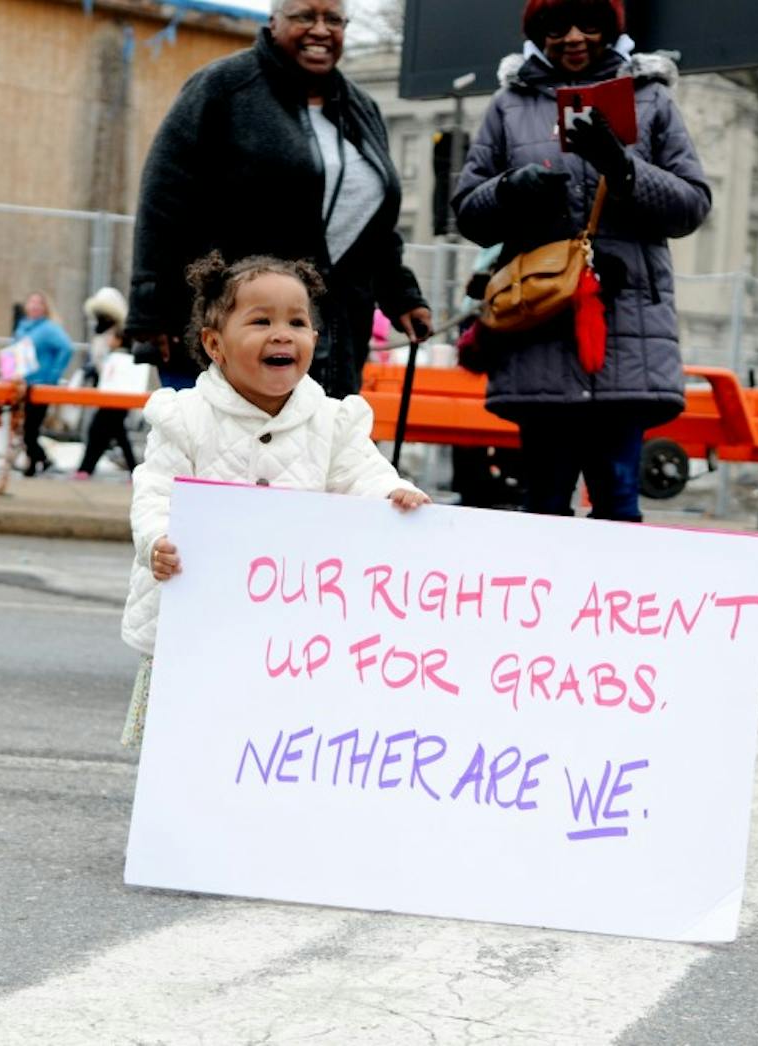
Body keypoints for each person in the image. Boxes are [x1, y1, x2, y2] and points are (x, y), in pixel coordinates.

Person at [118, 252, 429, 746]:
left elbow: (362, 474)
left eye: (298, 322)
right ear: (215, 343)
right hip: (195, 621)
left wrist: (396, 494)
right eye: (261, 320)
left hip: (290, 636)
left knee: (273, 738)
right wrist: (157, 539)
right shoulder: (185, 418)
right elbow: (155, 491)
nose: (282, 333)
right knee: (186, 744)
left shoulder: (333, 421)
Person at [452, 0, 711, 522]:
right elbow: (469, 214)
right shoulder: (508, 106)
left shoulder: (652, 99)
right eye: (556, 27)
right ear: (538, 34)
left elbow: (690, 207)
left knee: (618, 506)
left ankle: (610, 605)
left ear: (611, 29)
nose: (573, 38)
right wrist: (511, 189)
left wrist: (623, 168)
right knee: (543, 507)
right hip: (540, 329)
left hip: (627, 333)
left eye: (589, 24)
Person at [125, 0, 432, 400]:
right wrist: (151, 309)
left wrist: (402, 296)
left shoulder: (361, 109)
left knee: (318, 456)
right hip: (230, 329)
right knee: (228, 458)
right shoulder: (223, 88)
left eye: (334, 20)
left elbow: (375, 227)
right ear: (273, 22)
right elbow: (163, 200)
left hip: (334, 334)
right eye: (305, 16)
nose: (321, 30)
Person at [75, 286, 138, 479]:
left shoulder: (120, 333)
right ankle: (88, 469)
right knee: (117, 433)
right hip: (107, 388)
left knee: (99, 430)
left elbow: (119, 361)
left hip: (117, 388)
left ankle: (85, 469)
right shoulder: (102, 331)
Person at [12, 291, 74, 476]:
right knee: (24, 428)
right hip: (21, 384)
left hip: (40, 385)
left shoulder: (49, 329)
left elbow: (66, 348)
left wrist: (53, 376)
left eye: (39, 303)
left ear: (45, 308)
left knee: (30, 429)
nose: (34, 306)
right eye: (31, 302)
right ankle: (32, 464)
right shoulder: (22, 328)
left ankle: (43, 459)